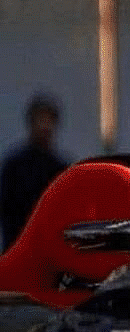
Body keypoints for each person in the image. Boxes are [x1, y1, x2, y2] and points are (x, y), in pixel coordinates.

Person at [0, 93, 69, 252]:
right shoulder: (15, 167)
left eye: (48, 121)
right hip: (18, 249)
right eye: (41, 120)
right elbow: (8, 212)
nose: (45, 126)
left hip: (50, 253)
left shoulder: (60, 169)